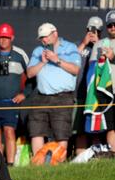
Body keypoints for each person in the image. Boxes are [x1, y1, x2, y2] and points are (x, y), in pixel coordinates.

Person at [27, 23, 81, 156]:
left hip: (62, 97)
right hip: (41, 96)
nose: (43, 40)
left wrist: (57, 60)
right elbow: (29, 73)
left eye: (45, 36)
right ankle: (38, 164)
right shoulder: (38, 51)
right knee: (36, 131)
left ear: (55, 33)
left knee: (61, 132)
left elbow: (76, 69)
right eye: (41, 38)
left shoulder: (70, 47)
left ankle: (58, 163)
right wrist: (43, 62)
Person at [0, 23, 30, 165]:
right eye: (0, 37)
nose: (3, 40)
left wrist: (24, 93)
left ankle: (11, 164)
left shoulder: (19, 55)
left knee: (9, 131)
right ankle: (0, 164)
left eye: (6, 37)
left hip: (10, 102)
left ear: (12, 37)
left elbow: (32, 76)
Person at [74, 16, 103, 155]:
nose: (92, 33)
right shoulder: (79, 46)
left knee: (96, 130)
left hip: (96, 96)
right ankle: (80, 159)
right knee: (80, 131)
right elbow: (71, 60)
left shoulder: (104, 45)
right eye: (90, 30)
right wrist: (84, 43)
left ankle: (96, 158)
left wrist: (98, 44)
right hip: (80, 96)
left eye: (96, 30)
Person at [89, 10, 115, 152]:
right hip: (106, 91)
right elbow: (92, 71)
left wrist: (113, 57)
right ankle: (113, 155)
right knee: (110, 126)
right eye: (110, 25)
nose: (113, 27)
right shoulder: (99, 44)